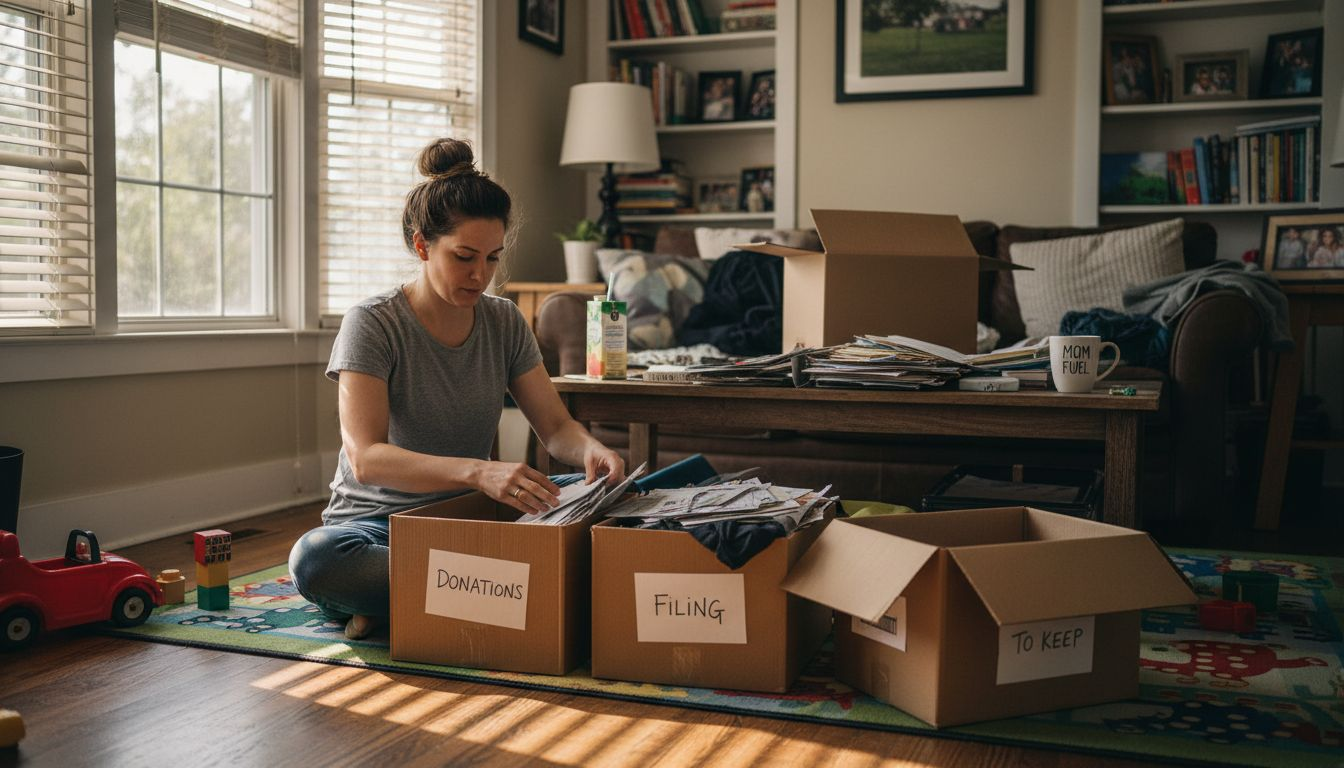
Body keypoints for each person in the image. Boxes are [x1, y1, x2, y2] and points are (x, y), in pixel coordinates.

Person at [289, 138, 625, 640]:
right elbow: (367, 459)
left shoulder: (504, 321)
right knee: (316, 560)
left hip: (471, 522)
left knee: (611, 513)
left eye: (492, 258)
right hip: (377, 529)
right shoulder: (373, 323)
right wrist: (478, 472)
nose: (481, 275)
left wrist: (594, 451)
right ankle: (512, 591)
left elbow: (555, 428)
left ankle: (422, 601)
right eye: (464, 256)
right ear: (422, 245)